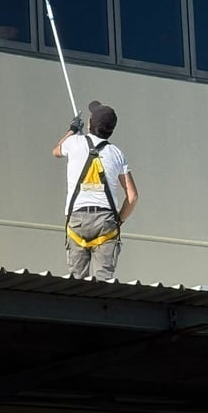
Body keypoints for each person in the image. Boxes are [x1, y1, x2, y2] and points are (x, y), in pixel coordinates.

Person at [53, 100, 138, 281]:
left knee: (77, 282)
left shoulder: (74, 143)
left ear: (90, 124)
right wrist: (119, 220)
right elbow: (132, 196)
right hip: (106, 220)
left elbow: (56, 151)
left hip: (77, 219)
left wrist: (73, 129)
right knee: (104, 282)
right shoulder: (117, 154)